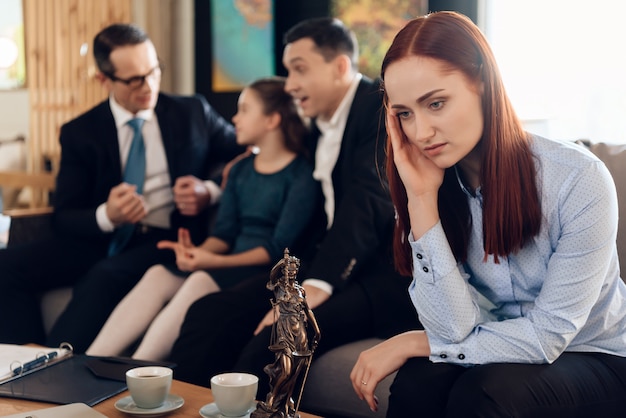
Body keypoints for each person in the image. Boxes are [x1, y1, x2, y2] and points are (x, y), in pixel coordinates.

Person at [349, 11, 626, 417]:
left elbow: (549, 335)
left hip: (597, 354)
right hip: (499, 349)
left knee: (487, 391)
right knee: (418, 382)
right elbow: (451, 328)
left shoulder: (578, 178)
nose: (421, 132)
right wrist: (422, 199)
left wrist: (415, 341)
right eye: (405, 114)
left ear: (482, 83)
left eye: (436, 103)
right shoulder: (430, 181)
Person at [169, 17, 421, 395]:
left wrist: (316, 285)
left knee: (272, 342)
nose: (289, 85)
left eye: (299, 69)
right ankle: (182, 404)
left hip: (378, 274)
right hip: (319, 261)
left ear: (339, 67)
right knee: (209, 313)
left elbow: (368, 202)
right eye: (287, 72)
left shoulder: (378, 110)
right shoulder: (317, 124)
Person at [0, 23, 242, 352]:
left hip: (164, 238)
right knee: (7, 266)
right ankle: (20, 363)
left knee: (104, 276)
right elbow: (65, 216)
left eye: (154, 71)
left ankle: (52, 363)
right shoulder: (80, 132)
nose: (149, 86)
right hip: (100, 237)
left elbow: (249, 150)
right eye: (134, 80)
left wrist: (209, 191)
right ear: (104, 79)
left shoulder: (192, 113)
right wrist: (106, 215)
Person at [86, 77, 320, 361]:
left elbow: (277, 250)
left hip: (268, 273)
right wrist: (197, 253)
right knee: (158, 273)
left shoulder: (302, 175)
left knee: (199, 280)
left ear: (272, 120)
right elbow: (223, 234)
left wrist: (211, 262)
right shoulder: (239, 171)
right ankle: (90, 360)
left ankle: (140, 368)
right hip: (230, 264)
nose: (235, 118)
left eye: (244, 109)